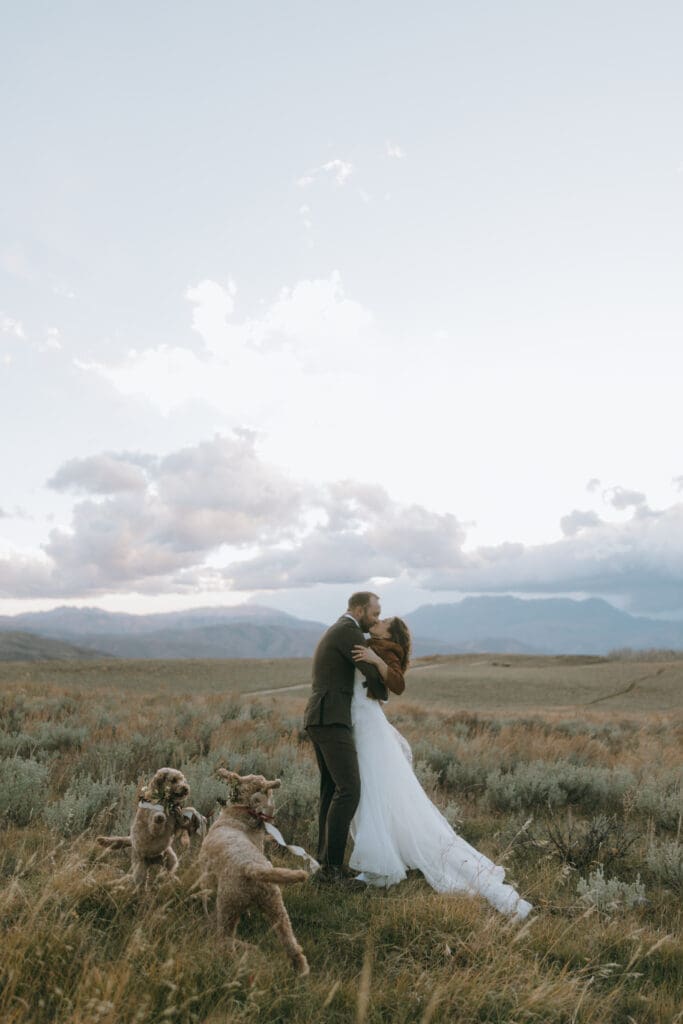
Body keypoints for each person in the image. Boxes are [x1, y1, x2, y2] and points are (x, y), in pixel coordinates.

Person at [350, 617, 532, 920]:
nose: (377, 621)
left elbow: (397, 683)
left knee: (377, 789)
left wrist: (373, 660)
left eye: (382, 621)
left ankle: (385, 861)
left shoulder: (387, 649)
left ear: (390, 633)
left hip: (370, 728)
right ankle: (387, 851)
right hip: (367, 723)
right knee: (378, 790)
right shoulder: (374, 642)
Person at [304, 592, 388, 884]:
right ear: (360, 609)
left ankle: (327, 864)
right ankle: (332, 869)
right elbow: (373, 676)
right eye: (375, 614)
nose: (376, 620)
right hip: (330, 718)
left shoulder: (339, 629)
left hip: (322, 717)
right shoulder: (348, 631)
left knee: (331, 790)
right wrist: (382, 665)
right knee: (349, 789)